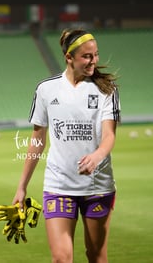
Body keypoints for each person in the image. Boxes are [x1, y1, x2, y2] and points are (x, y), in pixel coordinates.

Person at [11, 28, 121, 262]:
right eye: (87, 56)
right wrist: (22, 186)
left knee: (96, 256)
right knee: (61, 258)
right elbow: (37, 140)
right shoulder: (46, 89)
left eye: (96, 55)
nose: (94, 61)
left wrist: (97, 155)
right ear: (69, 58)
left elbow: (109, 135)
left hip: (97, 186)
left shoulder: (106, 90)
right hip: (59, 185)